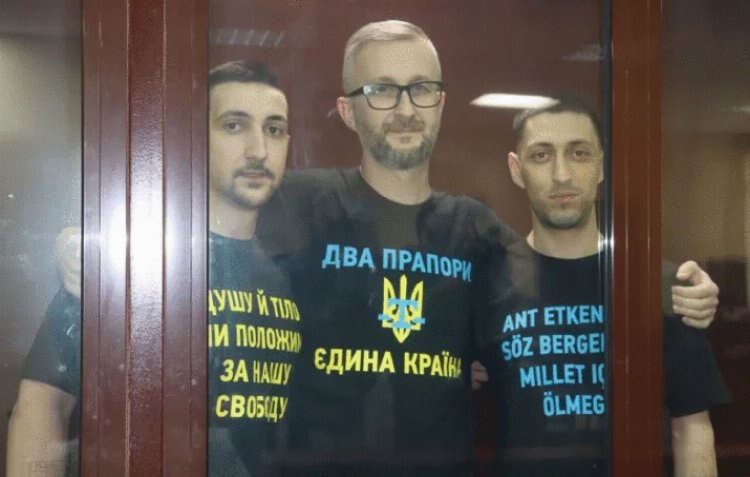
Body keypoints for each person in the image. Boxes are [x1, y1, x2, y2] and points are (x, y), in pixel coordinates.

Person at [6, 60, 301, 477]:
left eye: (274, 129)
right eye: (234, 125)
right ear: (194, 138)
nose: (259, 150)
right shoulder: (138, 262)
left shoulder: (289, 275)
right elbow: (41, 408)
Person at [477, 99, 730, 477]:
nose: (562, 175)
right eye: (542, 155)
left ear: (601, 164)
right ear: (517, 170)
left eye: (578, 153)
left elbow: (691, 428)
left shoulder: (658, 285)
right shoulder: (485, 284)